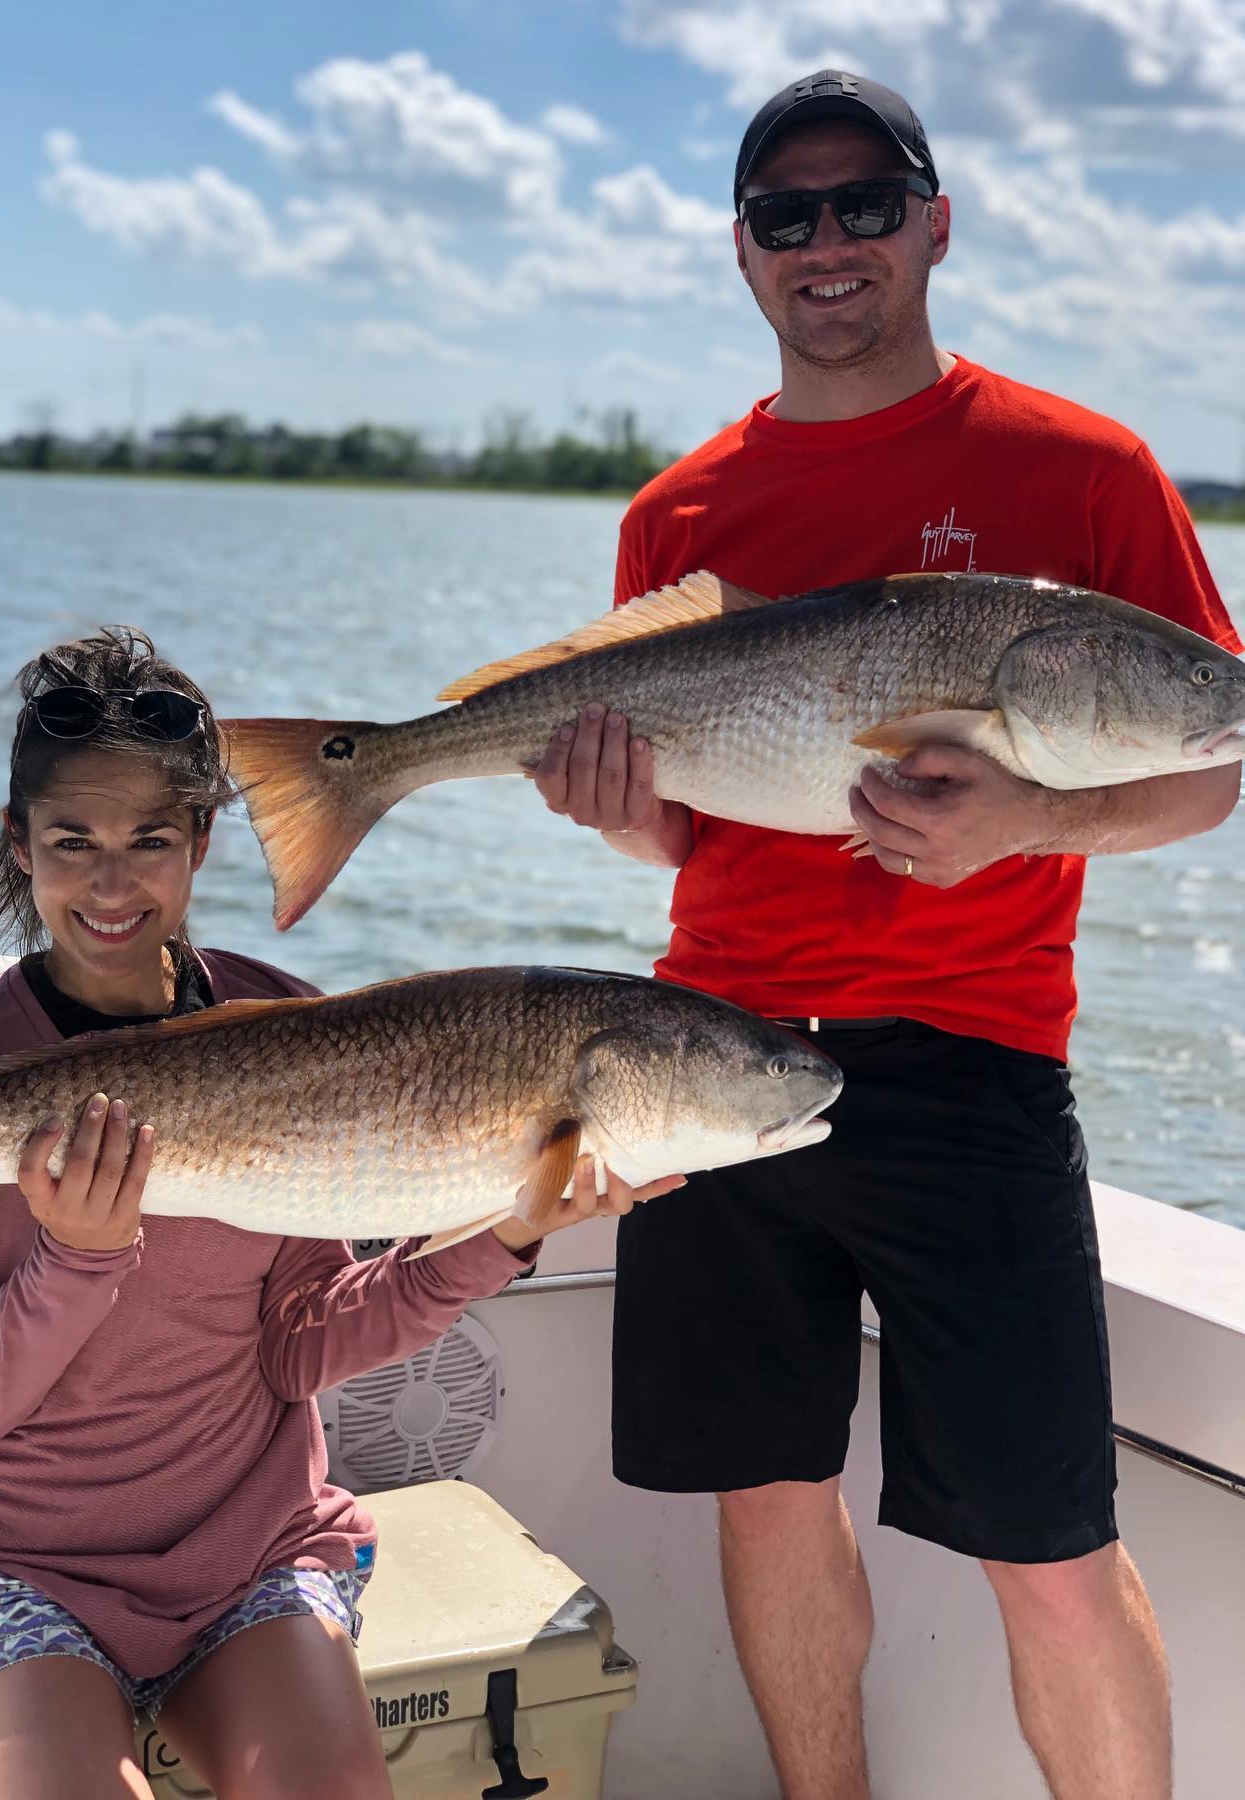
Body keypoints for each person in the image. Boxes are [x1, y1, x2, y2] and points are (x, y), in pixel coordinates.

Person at [529, 68, 1242, 1800]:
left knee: (1050, 1544)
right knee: (766, 1497)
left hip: (974, 1065)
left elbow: (1215, 757)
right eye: (788, 215)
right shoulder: (680, 513)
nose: (827, 242)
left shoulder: (1086, 472)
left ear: (936, 221)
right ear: (744, 251)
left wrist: (1034, 821)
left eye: (864, 204)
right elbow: (678, 835)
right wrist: (619, 807)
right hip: (707, 1051)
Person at [0, 626, 680, 1800]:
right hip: (15, 1574)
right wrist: (76, 1263)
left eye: (152, 841)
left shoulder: (291, 1022)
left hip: (251, 1559)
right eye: (72, 843)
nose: (111, 884)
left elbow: (304, 1342)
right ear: (20, 843)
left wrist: (504, 1236)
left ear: (204, 841)